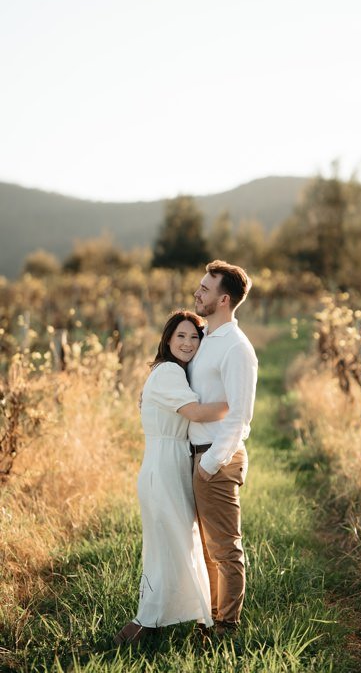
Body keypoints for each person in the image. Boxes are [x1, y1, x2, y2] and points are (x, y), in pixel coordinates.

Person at [112, 311, 231, 646]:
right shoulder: (166, 372)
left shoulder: (173, 373)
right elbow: (194, 412)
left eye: (194, 337)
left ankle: (179, 622)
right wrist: (237, 402)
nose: (188, 343)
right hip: (163, 467)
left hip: (170, 463)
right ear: (167, 339)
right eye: (181, 336)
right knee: (176, 547)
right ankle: (153, 625)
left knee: (178, 546)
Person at [187, 259, 259, 635]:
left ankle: (226, 627)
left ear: (224, 299)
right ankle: (209, 617)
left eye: (204, 289)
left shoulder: (237, 348)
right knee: (206, 549)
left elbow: (239, 417)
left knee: (225, 549)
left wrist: (210, 463)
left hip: (216, 458)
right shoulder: (205, 339)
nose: (197, 293)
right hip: (196, 455)